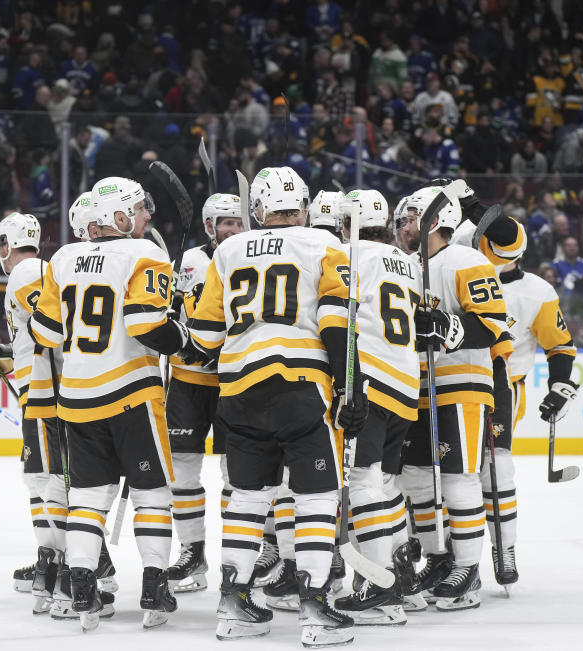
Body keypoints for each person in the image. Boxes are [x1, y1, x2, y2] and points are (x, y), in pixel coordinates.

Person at [188, 166, 367, 646]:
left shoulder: (226, 251)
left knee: (247, 498)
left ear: (258, 210)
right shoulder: (324, 245)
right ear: (304, 207)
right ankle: (314, 610)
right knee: (314, 497)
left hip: (238, 389)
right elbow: (335, 323)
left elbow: (203, 338)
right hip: (299, 384)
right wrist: (352, 386)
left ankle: (233, 605)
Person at [29, 177, 189, 632]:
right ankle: (155, 585)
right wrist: (179, 333)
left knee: (86, 498)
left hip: (76, 398)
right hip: (131, 394)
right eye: (139, 210)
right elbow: (145, 326)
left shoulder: (61, 257)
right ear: (118, 217)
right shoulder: (146, 254)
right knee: (151, 493)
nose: (146, 217)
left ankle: (82, 587)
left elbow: (46, 333)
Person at [397, 184, 509, 611]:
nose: (402, 225)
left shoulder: (467, 260)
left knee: (461, 477)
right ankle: (441, 559)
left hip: (462, 383)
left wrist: (446, 325)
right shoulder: (406, 265)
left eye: (410, 218)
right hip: (416, 387)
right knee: (418, 478)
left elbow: (494, 323)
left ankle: (468, 570)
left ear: (435, 221)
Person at [0, 212, 79, 616]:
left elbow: (55, 331)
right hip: (38, 393)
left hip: (49, 396)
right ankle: (50, 564)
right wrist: (10, 356)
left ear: (7, 244)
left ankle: (69, 568)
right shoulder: (33, 273)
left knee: (52, 482)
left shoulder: (29, 271)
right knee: (39, 481)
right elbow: (38, 334)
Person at [331, 189, 424, 624]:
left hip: (370, 382)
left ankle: (378, 586)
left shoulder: (348, 255)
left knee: (363, 479)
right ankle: (397, 577)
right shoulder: (406, 262)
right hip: (406, 384)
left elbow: (334, 314)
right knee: (386, 484)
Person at [165, 193, 244, 593]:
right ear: (210, 226)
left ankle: (240, 557)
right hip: (188, 381)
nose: (233, 229)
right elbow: (173, 315)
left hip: (236, 381)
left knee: (239, 473)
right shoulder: (188, 261)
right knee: (182, 470)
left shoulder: (250, 257)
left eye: (238, 222)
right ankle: (192, 553)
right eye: (225, 223)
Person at [495, 223, 577, 583]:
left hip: (501, 388)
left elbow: (558, 344)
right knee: (448, 475)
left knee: (494, 467)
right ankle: (451, 555)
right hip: (448, 383)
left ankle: (505, 547)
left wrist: (560, 384)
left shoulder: (537, 291)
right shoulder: (462, 270)